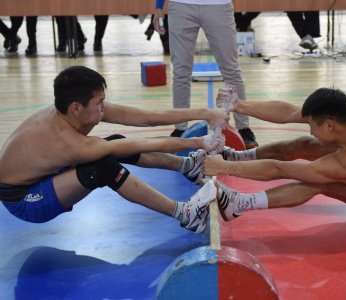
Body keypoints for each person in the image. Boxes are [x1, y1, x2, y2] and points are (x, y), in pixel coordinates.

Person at [0, 66, 229, 234]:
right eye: (99, 102)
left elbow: (146, 118)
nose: (103, 107)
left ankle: (189, 166)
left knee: (114, 143)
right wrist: (197, 142)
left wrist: (205, 112)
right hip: (24, 199)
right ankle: (185, 214)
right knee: (102, 167)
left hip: (39, 174)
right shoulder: (68, 143)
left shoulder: (73, 110)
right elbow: (139, 145)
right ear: (76, 108)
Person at [202, 87, 346, 221]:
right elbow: (289, 112)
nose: (311, 130)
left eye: (312, 126)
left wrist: (224, 168)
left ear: (329, 125)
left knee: (320, 182)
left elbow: (281, 169)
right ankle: (236, 156)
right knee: (303, 144)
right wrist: (238, 105)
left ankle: (240, 204)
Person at [153, 0, 258, 149]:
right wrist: (158, 7)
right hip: (181, 6)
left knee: (231, 70)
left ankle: (244, 128)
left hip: (218, 5)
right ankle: (180, 128)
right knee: (180, 72)